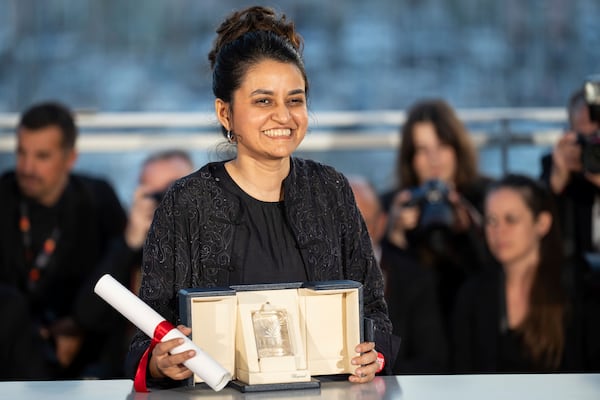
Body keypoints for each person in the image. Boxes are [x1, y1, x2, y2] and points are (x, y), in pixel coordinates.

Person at [126, 6, 397, 390]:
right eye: (263, 101)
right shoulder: (187, 202)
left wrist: (375, 355)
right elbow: (147, 334)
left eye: (295, 100)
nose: (283, 116)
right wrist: (158, 362)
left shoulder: (332, 191)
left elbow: (374, 311)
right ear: (225, 113)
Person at [0, 101, 127, 379]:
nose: (27, 167)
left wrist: (78, 325)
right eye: (22, 153)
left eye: (42, 156)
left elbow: (123, 270)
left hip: (86, 339)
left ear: (70, 158)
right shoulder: (4, 194)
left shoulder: (97, 199)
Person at [452, 174, 600, 373]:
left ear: (542, 223)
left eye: (511, 220)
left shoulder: (578, 287)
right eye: (491, 221)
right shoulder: (472, 294)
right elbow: (462, 373)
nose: (499, 231)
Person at [380, 99, 492, 349]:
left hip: (475, 334)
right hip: (418, 341)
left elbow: (494, 277)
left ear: (457, 149)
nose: (434, 159)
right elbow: (385, 294)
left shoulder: (486, 197)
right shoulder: (393, 205)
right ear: (410, 158)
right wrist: (395, 236)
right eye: (422, 149)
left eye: (441, 145)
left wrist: (471, 229)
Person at [349, 176, 447, 374]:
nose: (351, 233)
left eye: (362, 222)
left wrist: (379, 373)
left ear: (382, 223)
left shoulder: (415, 278)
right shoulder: (310, 276)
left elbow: (432, 360)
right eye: (342, 222)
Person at [540, 87, 600, 272]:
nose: (592, 146)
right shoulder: (557, 165)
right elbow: (535, 225)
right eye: (584, 138)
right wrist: (557, 183)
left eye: (597, 137)